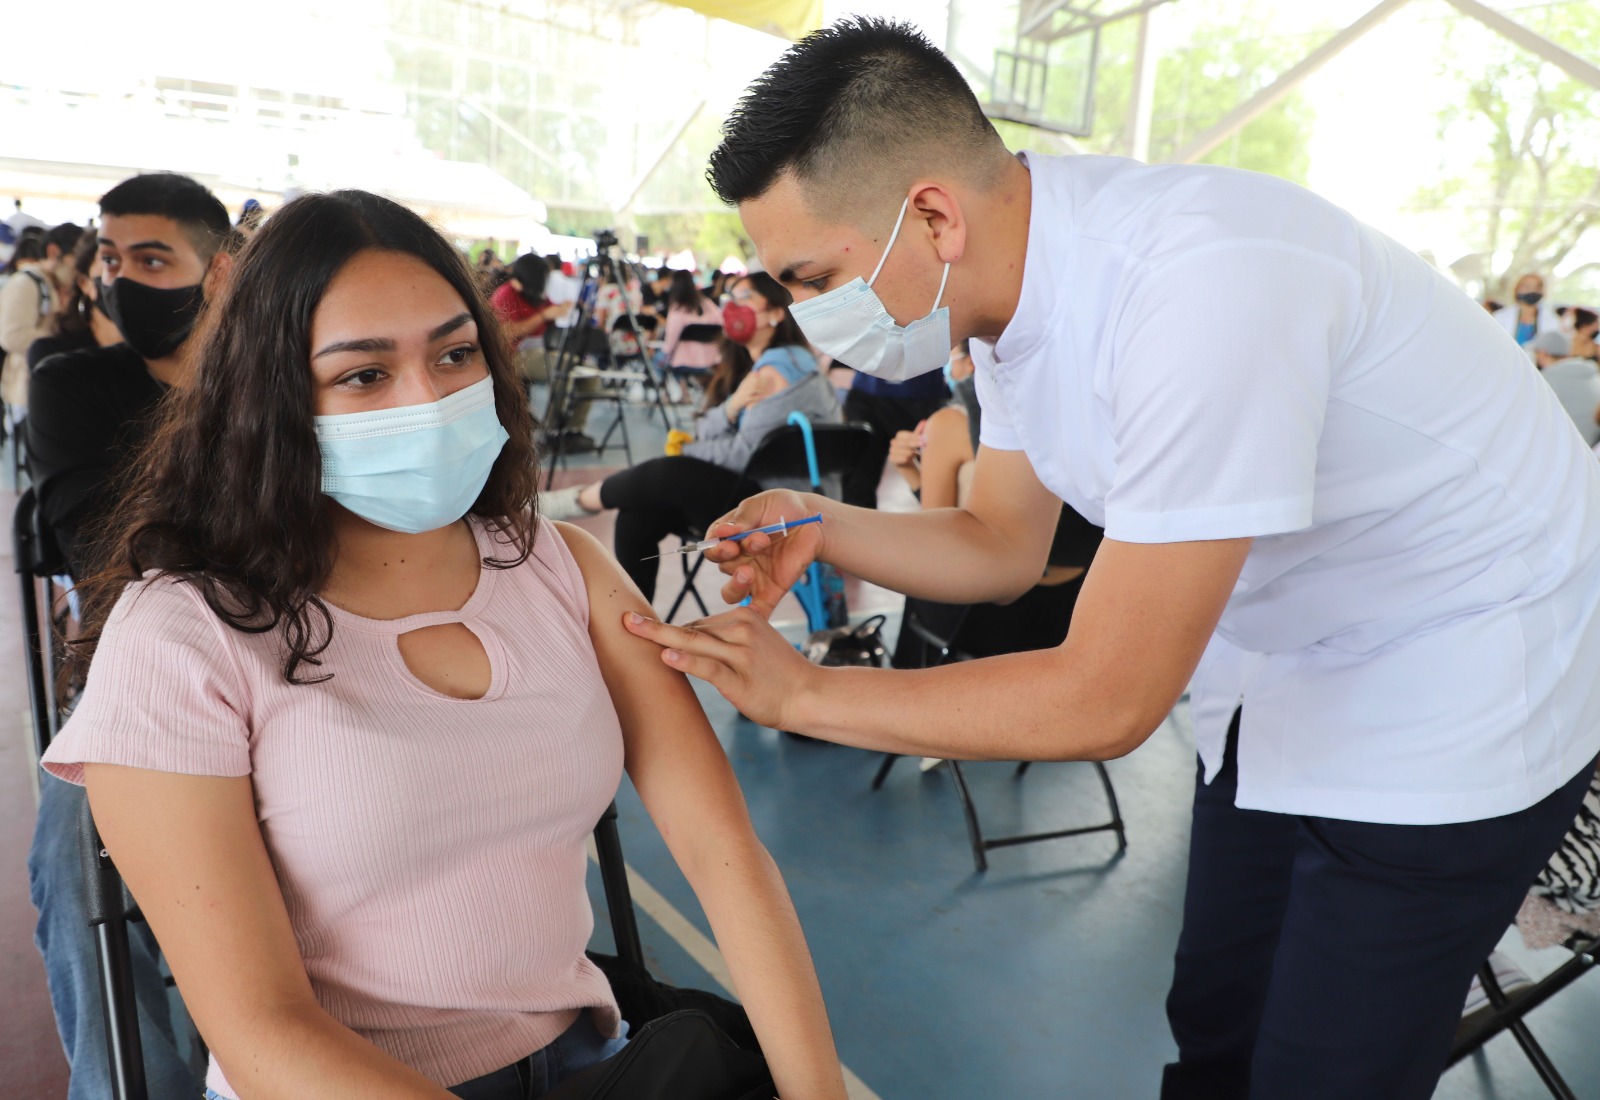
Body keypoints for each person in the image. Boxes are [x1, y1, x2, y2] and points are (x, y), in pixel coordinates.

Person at [620, 19, 1600, 1100]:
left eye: (813, 278)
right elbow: (1001, 541)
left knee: (1326, 1070)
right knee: (1217, 1024)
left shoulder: (1201, 284)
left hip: (1459, 679)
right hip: (1287, 662)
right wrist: (822, 520)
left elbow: (1106, 697)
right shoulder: (1003, 300)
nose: (806, 317)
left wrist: (806, 692)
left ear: (933, 216)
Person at [38, 189, 846, 1100]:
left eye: (455, 354)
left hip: (593, 1062)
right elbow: (263, 1033)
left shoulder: (558, 566)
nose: (428, 399)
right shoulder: (182, 637)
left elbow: (723, 853)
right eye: (363, 374)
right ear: (269, 399)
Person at [25, 172, 233, 1100]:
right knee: (74, 872)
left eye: (152, 260)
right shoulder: (73, 386)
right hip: (133, 685)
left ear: (217, 272)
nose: (121, 280)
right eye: (111, 259)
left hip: (298, 662)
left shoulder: (282, 382)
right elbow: (108, 558)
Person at [540, 271, 841, 601]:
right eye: (730, 298)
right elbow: (709, 429)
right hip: (769, 495)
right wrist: (731, 408)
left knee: (673, 471)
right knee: (638, 512)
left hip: (780, 509)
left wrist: (689, 452)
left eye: (745, 298)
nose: (732, 307)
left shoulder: (775, 371)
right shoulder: (772, 364)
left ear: (775, 314)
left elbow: (744, 454)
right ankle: (634, 619)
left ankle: (577, 502)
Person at [1, 224, 77, 414]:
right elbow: (11, 335)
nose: (78, 267)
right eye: (75, 257)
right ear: (53, 252)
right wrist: (65, 342)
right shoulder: (26, 282)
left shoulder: (54, 282)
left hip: (48, 387)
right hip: (25, 393)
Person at [27, 229, 121, 369]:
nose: (126, 275)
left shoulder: (151, 352)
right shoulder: (52, 355)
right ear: (84, 282)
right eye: (110, 261)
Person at [488, 253, 567, 385]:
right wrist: (543, 316)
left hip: (535, 350)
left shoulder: (533, 294)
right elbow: (507, 333)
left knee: (573, 365)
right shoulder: (505, 295)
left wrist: (562, 308)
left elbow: (552, 309)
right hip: (512, 357)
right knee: (566, 368)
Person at [1530, 330, 1600, 447]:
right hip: (1592, 446)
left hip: (1571, 447)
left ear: (1542, 353)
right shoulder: (1590, 373)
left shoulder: (1545, 381)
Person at [657, 268, 723, 382]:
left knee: (656, 361)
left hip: (684, 361)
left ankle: (677, 390)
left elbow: (671, 338)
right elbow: (721, 323)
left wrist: (666, 352)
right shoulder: (707, 303)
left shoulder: (678, 308)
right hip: (712, 359)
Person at [1494, 272, 1561, 347]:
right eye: (1526, 287)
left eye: (1536, 287)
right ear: (1516, 289)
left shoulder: (1552, 320)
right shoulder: (1500, 317)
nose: (1531, 291)